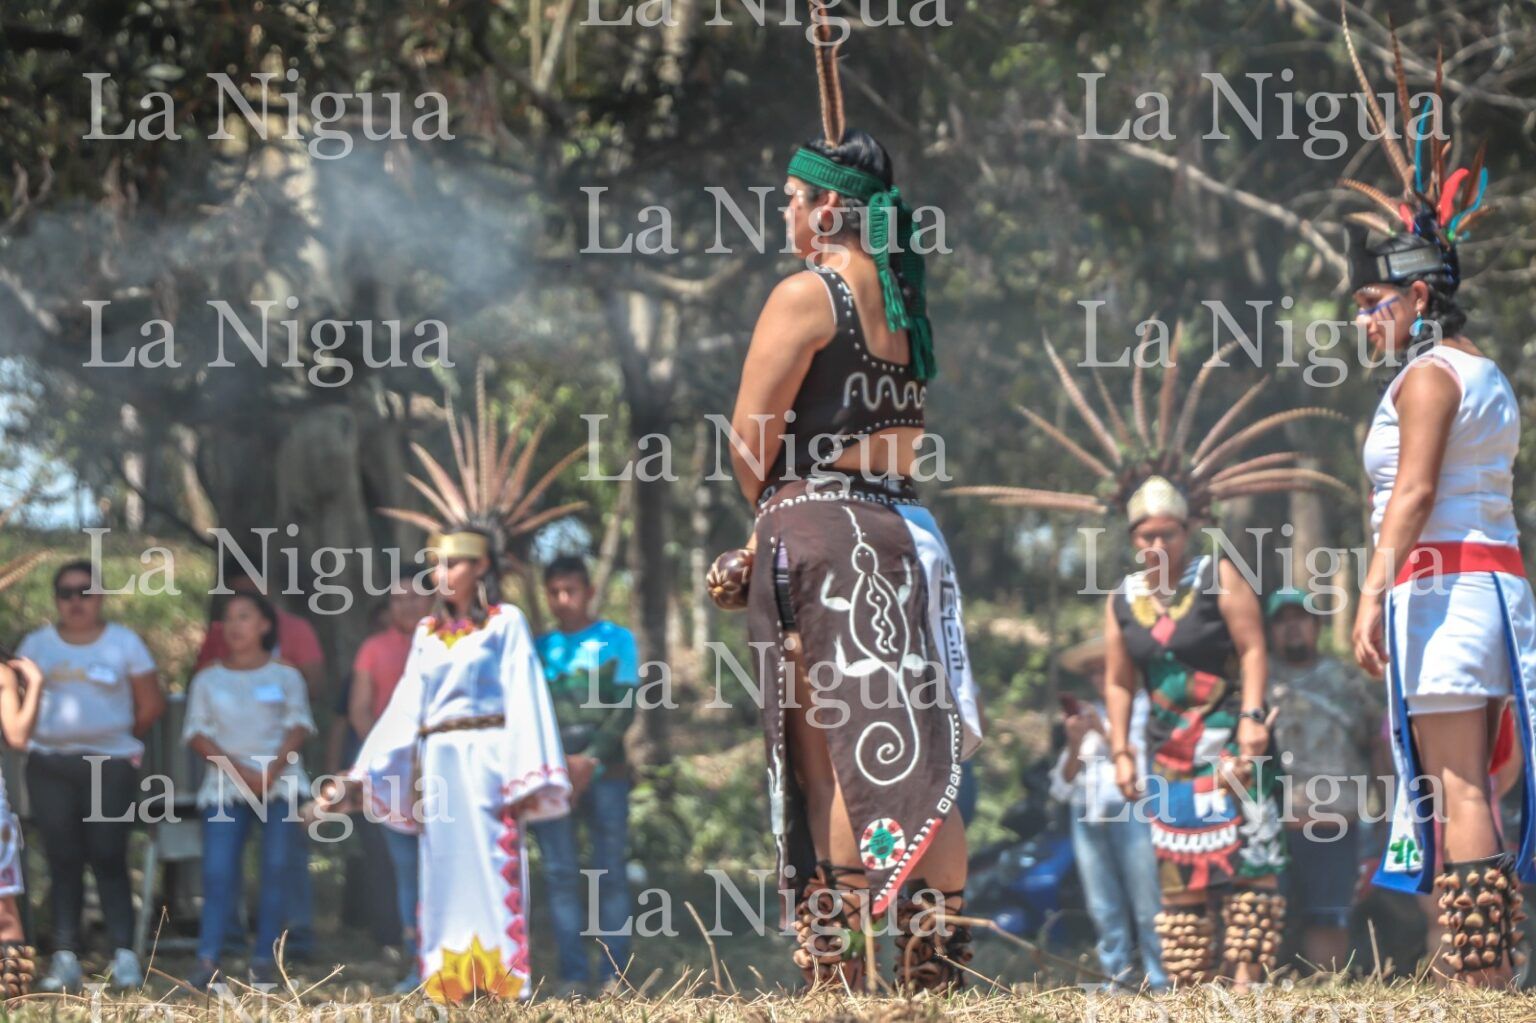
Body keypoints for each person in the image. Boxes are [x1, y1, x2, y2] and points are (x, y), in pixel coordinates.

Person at [720, 14, 982, 993]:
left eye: (793, 200)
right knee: (920, 750)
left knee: (834, 755)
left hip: (823, 529)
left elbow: (750, 441)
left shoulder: (808, 292)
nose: (785, 215)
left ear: (829, 208)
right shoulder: (904, 297)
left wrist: (772, 514)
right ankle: (935, 970)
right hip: (906, 531)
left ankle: (837, 978)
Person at [957, 338, 1347, 989]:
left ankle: (1246, 982)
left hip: (1230, 740)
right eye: (1144, 536)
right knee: (1181, 880)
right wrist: (1126, 749)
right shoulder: (1123, 601)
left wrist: (1253, 716)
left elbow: (1253, 648)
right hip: (1166, 750)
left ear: (1187, 529)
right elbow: (1117, 678)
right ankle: (1192, 985)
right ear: (1132, 540)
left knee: (1247, 870)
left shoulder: (1220, 578)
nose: (1156, 543)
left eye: (1166, 532)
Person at [1337, 12, 1533, 985]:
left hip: (1445, 590)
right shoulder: (1486, 373)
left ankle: (1477, 972)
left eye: (1376, 303)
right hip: (1483, 586)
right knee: (1479, 779)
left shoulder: (1427, 379)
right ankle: (1480, 964)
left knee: (1460, 780)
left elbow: (1411, 494)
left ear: (1420, 299)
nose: (1364, 319)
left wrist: (1369, 593)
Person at [318, 374, 573, 1004]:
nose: (442, 573)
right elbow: (406, 709)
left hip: (488, 760)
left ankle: (503, 984)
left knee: (493, 867)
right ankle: (450, 984)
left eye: (454, 562)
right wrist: (362, 774)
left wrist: (528, 773)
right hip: (438, 765)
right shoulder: (428, 635)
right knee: (443, 872)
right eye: (436, 563)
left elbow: (526, 700)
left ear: (484, 565)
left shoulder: (506, 625)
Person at [20, 559, 166, 993]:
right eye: (66, 593)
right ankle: (65, 956)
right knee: (63, 858)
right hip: (49, 765)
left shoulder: (124, 643)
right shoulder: (37, 644)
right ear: (56, 600)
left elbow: (151, 704)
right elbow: (18, 703)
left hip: (111, 764)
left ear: (100, 596)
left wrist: (113, 736)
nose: (75, 601)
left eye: (84, 591)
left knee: (108, 854)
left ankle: (123, 955)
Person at [193, 557, 327, 960]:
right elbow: (198, 734)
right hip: (223, 787)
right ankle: (208, 958)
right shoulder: (207, 678)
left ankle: (266, 960)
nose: (234, 626)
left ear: (266, 624)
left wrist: (270, 772)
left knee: (276, 871)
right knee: (217, 874)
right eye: (228, 618)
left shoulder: (287, 676)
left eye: (245, 616)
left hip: (281, 785)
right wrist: (242, 773)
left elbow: (299, 724)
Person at [530, 556, 637, 997]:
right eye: (554, 592)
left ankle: (616, 973)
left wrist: (589, 759)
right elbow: (530, 715)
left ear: (589, 592)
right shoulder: (539, 648)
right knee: (559, 873)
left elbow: (625, 707)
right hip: (553, 778)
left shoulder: (617, 639)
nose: (563, 600)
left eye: (571, 590)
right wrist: (559, 764)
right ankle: (572, 975)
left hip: (607, 774)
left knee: (609, 871)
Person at [1264, 587, 1384, 973]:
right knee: (1263, 923)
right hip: (1269, 830)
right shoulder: (1257, 684)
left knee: (1329, 921)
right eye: (1281, 621)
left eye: (1299, 618)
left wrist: (1386, 814)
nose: (1291, 627)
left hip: (1335, 825)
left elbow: (1377, 744)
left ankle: (1323, 1000)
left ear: (1316, 625)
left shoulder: (1348, 682)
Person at [1049, 636, 1166, 991]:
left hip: (1133, 809)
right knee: (1103, 907)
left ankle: (1162, 981)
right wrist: (1073, 744)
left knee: (1149, 903)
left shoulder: (1148, 709)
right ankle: (1115, 981)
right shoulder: (1086, 718)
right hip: (1087, 814)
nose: (1099, 677)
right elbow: (1061, 786)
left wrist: (1105, 731)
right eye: (1092, 672)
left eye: (1105, 668)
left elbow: (1146, 763)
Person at [349, 582, 432, 994]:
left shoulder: (449, 645)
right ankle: (418, 964)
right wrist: (386, 758)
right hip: (394, 780)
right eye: (399, 598)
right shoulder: (373, 648)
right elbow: (360, 711)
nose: (409, 605)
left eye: (418, 595)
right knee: (406, 873)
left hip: (446, 774)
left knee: (448, 867)